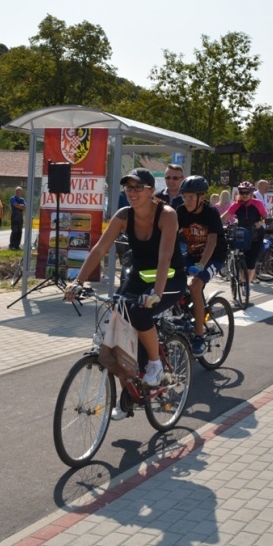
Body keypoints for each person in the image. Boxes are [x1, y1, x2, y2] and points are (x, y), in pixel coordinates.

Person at [64, 167, 186, 414]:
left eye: (138, 187)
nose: (132, 192)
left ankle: (156, 365)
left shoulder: (167, 215)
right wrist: (78, 281)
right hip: (140, 276)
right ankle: (128, 396)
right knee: (117, 324)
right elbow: (99, 249)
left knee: (140, 313)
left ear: (151, 191)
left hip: (169, 278)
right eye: (129, 187)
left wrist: (157, 293)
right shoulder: (123, 215)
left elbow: (164, 257)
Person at [176, 175, 225, 356]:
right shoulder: (181, 211)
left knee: (195, 284)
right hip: (191, 254)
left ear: (201, 197)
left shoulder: (211, 213)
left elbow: (212, 242)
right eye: (184, 197)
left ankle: (199, 337)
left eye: (191, 197)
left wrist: (200, 266)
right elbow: (170, 234)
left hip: (213, 257)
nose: (187, 201)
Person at [221, 181, 268, 288]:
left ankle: (246, 284)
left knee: (251, 261)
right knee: (242, 258)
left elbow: (265, 217)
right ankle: (242, 278)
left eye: (247, 193)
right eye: (242, 192)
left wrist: (259, 223)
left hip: (256, 234)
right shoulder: (236, 204)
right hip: (242, 234)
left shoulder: (257, 203)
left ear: (251, 193)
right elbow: (224, 217)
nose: (244, 195)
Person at [8, 186, 26, 250]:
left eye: (20, 192)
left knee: (19, 231)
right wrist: (21, 206)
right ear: (16, 192)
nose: (19, 193)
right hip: (15, 215)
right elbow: (15, 205)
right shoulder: (13, 198)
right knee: (14, 231)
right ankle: (11, 245)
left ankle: (17, 245)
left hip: (20, 216)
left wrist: (19, 206)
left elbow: (24, 207)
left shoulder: (22, 199)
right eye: (18, 191)